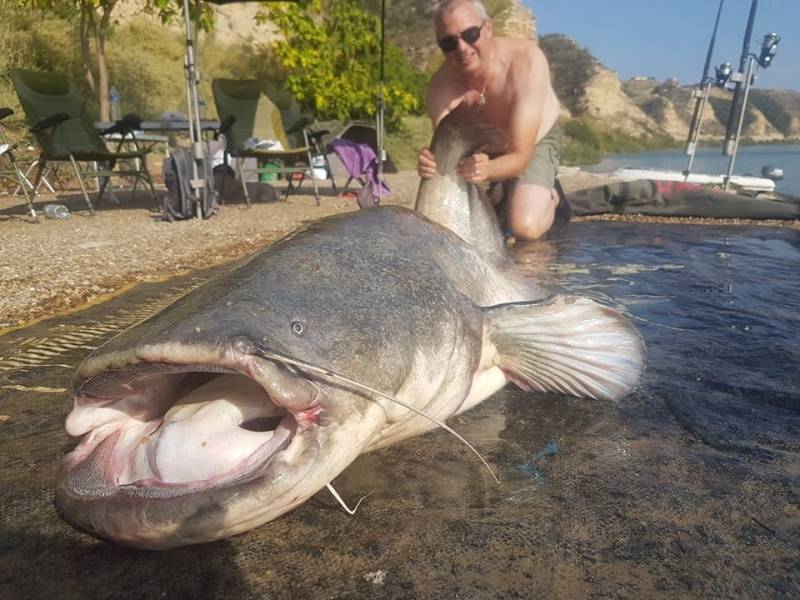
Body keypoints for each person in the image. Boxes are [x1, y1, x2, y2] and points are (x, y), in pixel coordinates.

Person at [417, 0, 566, 240]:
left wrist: (490, 170)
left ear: (488, 29)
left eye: (470, 34)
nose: (462, 47)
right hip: (485, 149)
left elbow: (521, 156)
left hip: (534, 144)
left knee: (524, 228)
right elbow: (449, 158)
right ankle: (502, 191)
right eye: (448, 42)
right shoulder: (440, 88)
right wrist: (430, 162)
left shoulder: (526, 61)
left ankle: (553, 196)